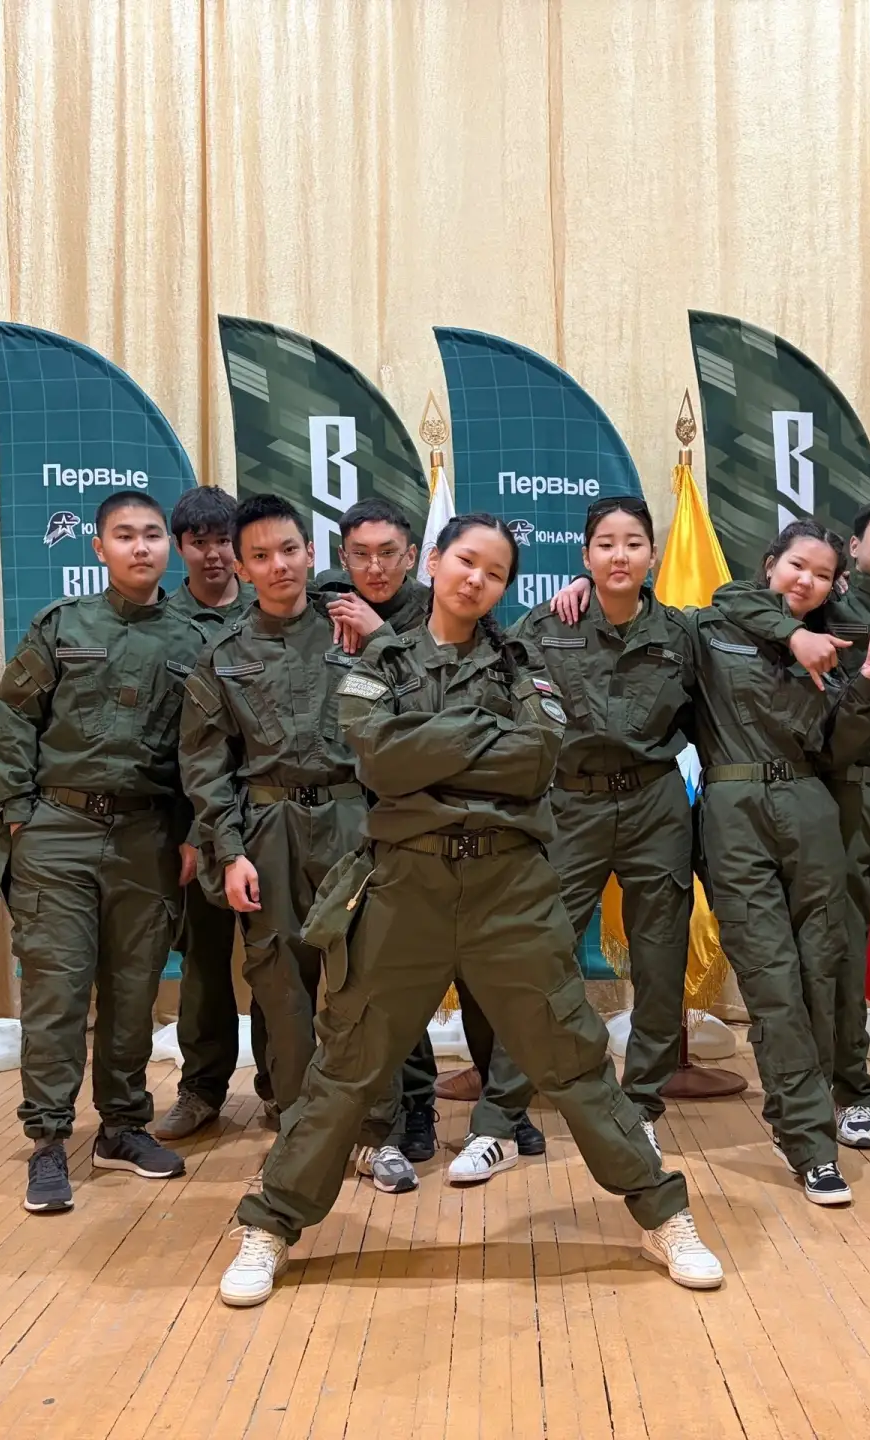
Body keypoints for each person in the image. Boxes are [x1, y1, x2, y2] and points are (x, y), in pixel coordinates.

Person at [217, 513, 724, 1306]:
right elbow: (380, 758)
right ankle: (271, 1225)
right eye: (465, 562)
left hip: (509, 893)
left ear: (504, 586)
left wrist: (432, 746)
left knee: (574, 1058)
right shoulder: (379, 657)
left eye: (494, 571)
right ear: (435, 561)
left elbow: (537, 757)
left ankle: (664, 1214)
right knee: (346, 1065)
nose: (476, 579)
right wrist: (479, 738)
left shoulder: (526, 660)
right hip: (404, 891)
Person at [448, 496, 696, 1185]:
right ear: (584, 556)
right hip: (570, 806)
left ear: (652, 555)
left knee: (659, 962)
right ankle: (499, 1122)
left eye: (633, 543)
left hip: (654, 804)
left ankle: (641, 1109)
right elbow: (489, 674)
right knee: (540, 961)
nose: (620, 555)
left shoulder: (680, 634)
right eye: (605, 544)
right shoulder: (544, 626)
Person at [181, 493, 420, 1196]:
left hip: (354, 825)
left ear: (312, 553)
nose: (278, 565)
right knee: (281, 988)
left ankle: (376, 1135)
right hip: (268, 829)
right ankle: (297, 1133)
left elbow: (415, 712)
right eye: (260, 556)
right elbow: (206, 767)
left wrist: (381, 639)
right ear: (241, 567)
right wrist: (230, 854)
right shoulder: (224, 656)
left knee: (365, 981)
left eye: (289, 549)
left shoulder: (354, 629)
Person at [0, 489, 190, 1214]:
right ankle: (48, 1141)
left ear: (168, 547)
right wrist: (19, 817)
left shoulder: (193, 640)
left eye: (152, 534)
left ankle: (123, 1128)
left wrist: (192, 832)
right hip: (57, 833)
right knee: (57, 992)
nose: (140, 546)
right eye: (124, 535)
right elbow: (12, 719)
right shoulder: (62, 626)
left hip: (147, 837)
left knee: (134, 991)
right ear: (99, 548)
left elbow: (205, 749)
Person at [722, 495, 870, 1147]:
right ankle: (852, 1091)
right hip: (839, 796)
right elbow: (733, 598)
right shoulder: (825, 603)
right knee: (842, 951)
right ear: (854, 547)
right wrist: (797, 632)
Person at [701, 522, 870, 1204]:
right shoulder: (715, 628)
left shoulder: (835, 648)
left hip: (811, 809)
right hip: (736, 809)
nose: (805, 581)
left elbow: (838, 749)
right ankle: (811, 1146)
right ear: (770, 564)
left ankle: (817, 1111)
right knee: (773, 982)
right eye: (795, 566)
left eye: (821, 574)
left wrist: (862, 691)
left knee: (822, 973)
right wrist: (789, 635)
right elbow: (727, 596)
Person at [308, 496, 442, 1170]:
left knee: (409, 969)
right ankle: (375, 1107)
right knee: (366, 973)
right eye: (360, 555)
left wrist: (380, 634)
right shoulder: (325, 606)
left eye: (389, 553)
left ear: (412, 556)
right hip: (344, 813)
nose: (376, 567)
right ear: (342, 557)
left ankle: (420, 1102)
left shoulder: (437, 613)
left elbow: (437, 699)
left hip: (418, 813)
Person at [151, 485, 262, 1143]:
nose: (214, 554)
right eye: (200, 542)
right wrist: (190, 830)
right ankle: (200, 1089)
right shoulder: (162, 623)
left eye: (224, 540)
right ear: (180, 547)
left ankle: (282, 1088)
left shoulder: (273, 608)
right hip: (195, 825)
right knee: (202, 963)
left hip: (272, 819)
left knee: (277, 962)